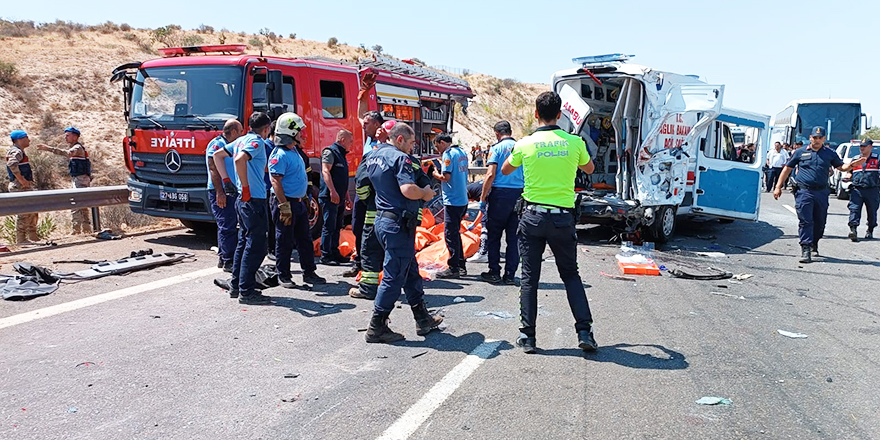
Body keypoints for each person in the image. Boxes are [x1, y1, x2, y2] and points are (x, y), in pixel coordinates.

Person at [501, 91, 597, 354]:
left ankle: (528, 336)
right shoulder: (574, 142)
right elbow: (589, 169)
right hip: (562, 219)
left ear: (535, 114)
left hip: (532, 218)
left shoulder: (525, 143)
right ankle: (584, 333)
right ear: (560, 114)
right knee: (570, 275)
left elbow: (505, 170)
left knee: (530, 278)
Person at [363, 122, 442, 343]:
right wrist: (425, 193)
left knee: (409, 271)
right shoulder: (400, 158)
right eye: (410, 142)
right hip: (397, 223)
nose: (412, 147)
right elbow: (408, 190)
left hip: (383, 220)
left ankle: (422, 318)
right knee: (393, 277)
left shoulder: (374, 155)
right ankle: (376, 326)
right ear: (399, 139)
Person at [774, 126, 859, 263]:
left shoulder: (829, 153)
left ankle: (814, 242)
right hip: (804, 191)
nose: (817, 140)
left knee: (820, 222)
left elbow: (841, 167)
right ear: (810, 138)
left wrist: (852, 165)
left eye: (820, 138)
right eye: (815, 137)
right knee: (806, 221)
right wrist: (778, 187)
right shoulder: (800, 152)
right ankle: (806, 248)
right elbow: (787, 169)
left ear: (824, 139)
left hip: (821, 192)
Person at [269, 112, 327, 286]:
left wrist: (306, 198)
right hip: (286, 203)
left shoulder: (294, 151)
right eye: (299, 131)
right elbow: (275, 180)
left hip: (299, 203)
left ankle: (309, 273)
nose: (302, 134)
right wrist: (283, 205)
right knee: (284, 240)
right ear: (291, 132)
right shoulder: (279, 154)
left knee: (305, 239)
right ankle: (283, 275)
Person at [348, 121, 398, 300]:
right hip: (398, 215)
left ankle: (368, 289)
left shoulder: (373, 154)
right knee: (396, 251)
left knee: (370, 249)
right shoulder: (405, 158)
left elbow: (361, 182)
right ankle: (394, 285)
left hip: (374, 212)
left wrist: (367, 200)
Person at [229, 112, 273, 304]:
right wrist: (245, 187)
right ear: (266, 128)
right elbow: (239, 160)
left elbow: (218, 154)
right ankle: (246, 291)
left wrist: (228, 181)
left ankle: (236, 285)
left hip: (244, 199)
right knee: (256, 246)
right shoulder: (256, 142)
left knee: (243, 243)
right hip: (253, 199)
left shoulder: (241, 140)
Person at [344, 113, 388, 278]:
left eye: (367, 124)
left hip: (376, 194)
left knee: (375, 230)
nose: (363, 126)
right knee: (357, 226)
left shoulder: (386, 144)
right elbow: (360, 115)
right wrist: (364, 93)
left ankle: (377, 266)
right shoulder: (369, 140)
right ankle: (360, 263)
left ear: (377, 125)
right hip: (363, 194)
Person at [480, 121, 524, 285]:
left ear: (497, 134)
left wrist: (483, 197)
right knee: (513, 237)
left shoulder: (496, 148)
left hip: (500, 195)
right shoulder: (521, 147)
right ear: (510, 132)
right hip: (519, 194)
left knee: (494, 236)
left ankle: (494, 272)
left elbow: (490, 174)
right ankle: (510, 275)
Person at [35, 127, 92, 234]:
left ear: (75, 137)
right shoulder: (77, 147)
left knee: (75, 203)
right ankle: (86, 229)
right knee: (82, 204)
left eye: (68, 135)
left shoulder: (77, 148)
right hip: (79, 178)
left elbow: (68, 153)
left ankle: (76, 230)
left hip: (80, 179)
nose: (65, 137)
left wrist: (49, 149)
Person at [205, 119, 243, 271]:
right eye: (240, 132)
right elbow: (213, 169)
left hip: (230, 189)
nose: (241, 135)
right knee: (227, 226)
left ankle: (224, 256)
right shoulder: (217, 145)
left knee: (229, 224)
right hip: (220, 190)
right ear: (233, 132)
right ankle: (228, 261)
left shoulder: (229, 145)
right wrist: (220, 192)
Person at [431, 133, 469, 279]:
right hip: (463, 199)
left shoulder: (448, 154)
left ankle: (454, 267)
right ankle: (460, 264)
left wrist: (435, 174)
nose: (438, 150)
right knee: (456, 233)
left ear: (441, 142)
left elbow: (446, 177)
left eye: (437, 146)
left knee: (450, 235)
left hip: (452, 200)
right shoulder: (461, 152)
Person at [319, 130, 353, 266]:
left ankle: (334, 252)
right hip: (330, 197)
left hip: (338, 197)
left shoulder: (342, 155)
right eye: (350, 141)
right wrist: (332, 191)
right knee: (329, 226)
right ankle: (326, 255)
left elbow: (342, 179)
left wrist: (347, 197)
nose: (352, 144)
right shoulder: (330, 152)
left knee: (338, 226)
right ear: (343, 139)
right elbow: (325, 171)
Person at [5, 130, 39, 244]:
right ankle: (21, 240)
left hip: (23, 186)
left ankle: (32, 237)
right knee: (24, 213)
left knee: (31, 212)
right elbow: (11, 164)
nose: (28, 140)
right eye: (26, 138)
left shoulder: (19, 151)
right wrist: (21, 179)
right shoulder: (16, 151)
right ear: (20, 139)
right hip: (19, 186)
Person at [846, 139, 879, 241]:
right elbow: (850, 172)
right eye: (861, 146)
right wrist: (848, 176)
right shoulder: (855, 159)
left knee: (872, 212)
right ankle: (853, 230)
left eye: (864, 146)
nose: (862, 148)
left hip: (872, 190)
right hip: (857, 189)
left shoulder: (877, 159)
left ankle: (870, 229)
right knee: (854, 209)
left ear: (870, 147)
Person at [465, 181, 489, 263]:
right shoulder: (472, 189)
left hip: (492, 194)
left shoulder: (467, 193)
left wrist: (474, 224)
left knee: (485, 224)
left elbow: (482, 211)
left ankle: (483, 253)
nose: (471, 202)